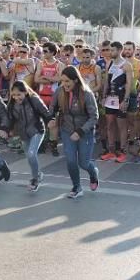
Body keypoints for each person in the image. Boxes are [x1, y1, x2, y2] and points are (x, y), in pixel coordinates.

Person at [48, 65, 100, 199]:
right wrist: (52, 118)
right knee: (71, 160)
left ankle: (93, 173)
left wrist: (81, 132)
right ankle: (77, 187)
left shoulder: (87, 93)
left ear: (75, 80)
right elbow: (52, 108)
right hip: (67, 130)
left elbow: (94, 116)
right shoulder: (59, 91)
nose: (64, 84)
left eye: (67, 81)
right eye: (62, 81)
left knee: (84, 163)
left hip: (84, 131)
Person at [3, 80, 52, 191]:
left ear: (25, 92)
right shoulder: (12, 104)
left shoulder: (34, 100)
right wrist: (5, 129)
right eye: (14, 95)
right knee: (29, 158)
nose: (16, 97)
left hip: (37, 130)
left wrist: (50, 120)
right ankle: (38, 174)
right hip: (24, 134)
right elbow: (8, 119)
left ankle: (35, 180)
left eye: (19, 94)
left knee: (31, 154)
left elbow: (45, 112)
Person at [99, 41, 132, 163]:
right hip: (110, 99)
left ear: (119, 50)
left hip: (121, 98)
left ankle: (122, 151)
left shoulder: (127, 65)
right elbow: (107, 82)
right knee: (110, 124)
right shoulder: (110, 63)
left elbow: (129, 84)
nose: (110, 52)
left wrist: (126, 100)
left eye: (112, 50)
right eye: (109, 50)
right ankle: (111, 150)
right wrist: (103, 96)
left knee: (121, 126)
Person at [34, 43, 64, 156]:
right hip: (41, 96)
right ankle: (42, 144)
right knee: (41, 122)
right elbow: (36, 79)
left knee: (53, 123)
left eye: (45, 51)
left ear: (52, 52)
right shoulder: (41, 63)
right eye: (43, 51)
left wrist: (45, 78)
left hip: (53, 97)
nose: (43, 53)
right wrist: (51, 80)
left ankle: (53, 146)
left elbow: (60, 78)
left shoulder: (59, 65)